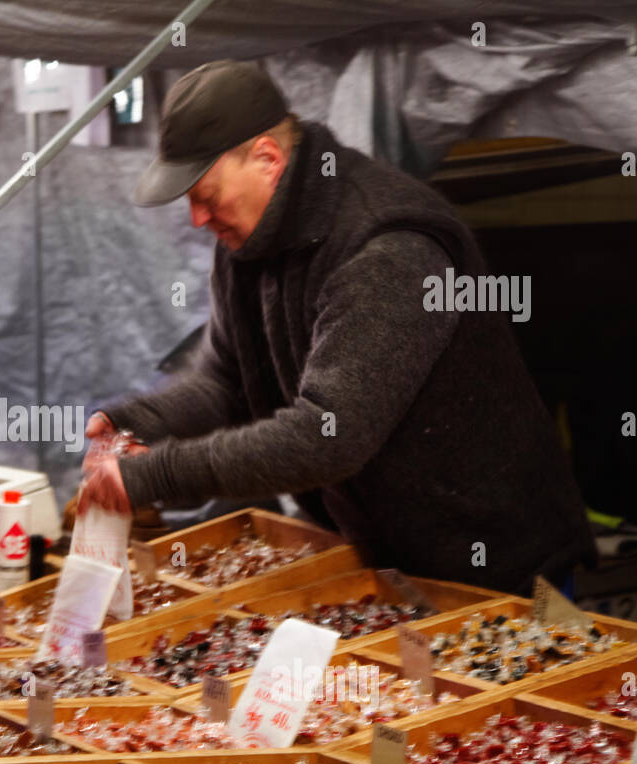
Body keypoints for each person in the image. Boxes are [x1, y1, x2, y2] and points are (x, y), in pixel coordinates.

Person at [79, 61, 595, 595]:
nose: (197, 219)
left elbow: (329, 434)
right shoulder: (247, 247)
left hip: (495, 562)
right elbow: (227, 383)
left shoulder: (389, 246)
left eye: (206, 196)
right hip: (381, 553)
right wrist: (132, 425)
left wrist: (155, 475)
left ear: (267, 159)